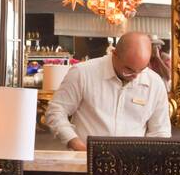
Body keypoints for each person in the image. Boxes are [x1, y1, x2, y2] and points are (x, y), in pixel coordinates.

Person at [43, 31, 171, 151]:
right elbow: (56, 111)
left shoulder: (155, 83)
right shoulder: (82, 73)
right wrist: (76, 144)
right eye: (129, 69)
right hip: (85, 160)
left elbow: (160, 131)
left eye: (141, 69)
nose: (135, 76)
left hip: (133, 164)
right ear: (114, 54)